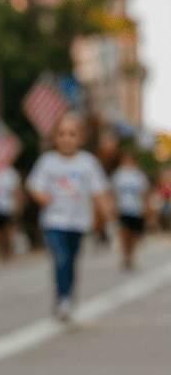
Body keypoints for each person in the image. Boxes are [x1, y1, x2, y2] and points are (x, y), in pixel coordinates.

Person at [26, 113, 111, 321]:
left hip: (78, 222)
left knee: (71, 261)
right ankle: (63, 299)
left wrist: (107, 214)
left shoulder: (88, 163)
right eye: (62, 134)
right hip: (54, 221)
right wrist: (41, 196)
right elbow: (33, 185)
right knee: (61, 258)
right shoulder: (47, 162)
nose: (66, 138)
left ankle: (67, 295)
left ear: (81, 138)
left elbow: (99, 192)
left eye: (72, 134)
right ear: (55, 138)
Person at [111, 148, 152, 271]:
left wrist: (146, 208)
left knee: (133, 235)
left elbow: (144, 193)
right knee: (124, 234)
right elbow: (113, 192)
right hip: (123, 209)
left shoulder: (139, 175)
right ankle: (125, 256)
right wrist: (113, 207)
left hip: (136, 209)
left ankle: (131, 255)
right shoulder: (118, 174)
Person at [0, 164, 23, 264]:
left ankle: (7, 253)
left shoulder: (11, 173)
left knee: (7, 232)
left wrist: (18, 206)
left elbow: (17, 191)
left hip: (8, 208)